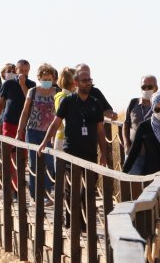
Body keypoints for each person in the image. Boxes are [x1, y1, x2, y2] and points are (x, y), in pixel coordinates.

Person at [38, 69, 107, 166]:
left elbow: (100, 130)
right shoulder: (67, 101)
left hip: (90, 152)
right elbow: (55, 123)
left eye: (89, 80)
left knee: (90, 181)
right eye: (84, 81)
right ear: (76, 83)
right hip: (71, 151)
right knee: (70, 180)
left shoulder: (96, 103)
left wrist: (103, 154)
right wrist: (44, 142)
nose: (88, 83)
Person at [17, 63, 59, 201]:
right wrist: (19, 131)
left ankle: (46, 194)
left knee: (48, 163)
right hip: (33, 130)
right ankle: (34, 193)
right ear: (39, 78)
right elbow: (24, 112)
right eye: (44, 78)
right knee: (34, 162)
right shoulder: (33, 91)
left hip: (49, 132)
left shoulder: (56, 92)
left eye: (49, 79)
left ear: (53, 78)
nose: (47, 81)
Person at [0, 59, 35, 136]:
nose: (24, 73)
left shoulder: (32, 84)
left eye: (26, 71)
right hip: (9, 121)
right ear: (16, 70)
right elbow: (0, 103)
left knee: (22, 147)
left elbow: (30, 101)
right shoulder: (8, 83)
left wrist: (23, 85)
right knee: (6, 146)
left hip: (24, 122)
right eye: (21, 71)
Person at [122, 75, 157, 155]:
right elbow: (126, 124)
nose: (146, 89)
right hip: (133, 153)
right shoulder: (133, 103)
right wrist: (126, 144)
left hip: (154, 156)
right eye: (143, 87)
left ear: (156, 88)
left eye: (149, 87)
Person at [53, 67, 76, 152]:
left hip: (61, 137)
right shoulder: (65, 97)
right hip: (66, 139)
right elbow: (66, 120)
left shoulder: (60, 95)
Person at [0, 63, 16, 133]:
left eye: (14, 72)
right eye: (8, 71)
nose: (11, 73)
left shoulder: (18, 88)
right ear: (3, 73)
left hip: (12, 122)